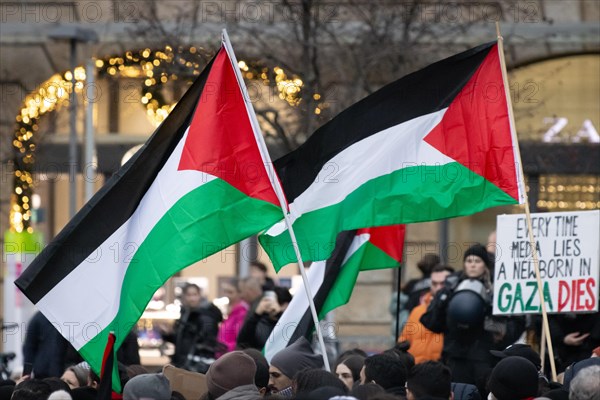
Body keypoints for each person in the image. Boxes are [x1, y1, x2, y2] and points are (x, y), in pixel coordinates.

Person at [420, 244, 525, 390]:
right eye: (469, 261)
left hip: (483, 359)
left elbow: (513, 325)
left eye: (477, 261)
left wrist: (494, 334)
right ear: (464, 264)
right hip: (454, 357)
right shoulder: (451, 287)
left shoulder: (498, 290)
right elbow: (431, 323)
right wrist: (443, 303)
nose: (473, 265)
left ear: (485, 265)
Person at [398, 264, 453, 364]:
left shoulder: (456, 310)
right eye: (434, 284)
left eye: (443, 284)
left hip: (443, 370)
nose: (438, 288)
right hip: (416, 370)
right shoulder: (417, 310)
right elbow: (404, 340)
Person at [162, 284, 223, 370]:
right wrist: (167, 335)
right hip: (183, 363)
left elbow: (207, 344)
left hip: (196, 366)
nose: (192, 298)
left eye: (195, 295)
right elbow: (182, 340)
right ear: (184, 296)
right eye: (189, 295)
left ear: (200, 295)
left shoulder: (206, 316)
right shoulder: (185, 314)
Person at [22, 311, 69, 378]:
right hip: (42, 372)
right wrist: (27, 374)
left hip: (63, 372)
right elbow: (29, 348)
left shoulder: (66, 317)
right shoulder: (39, 318)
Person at [217, 278, 250, 353]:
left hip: (230, 355)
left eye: (230, 292)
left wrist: (225, 348)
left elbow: (239, 339)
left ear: (240, 293)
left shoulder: (242, 313)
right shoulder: (231, 311)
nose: (227, 295)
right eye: (225, 291)